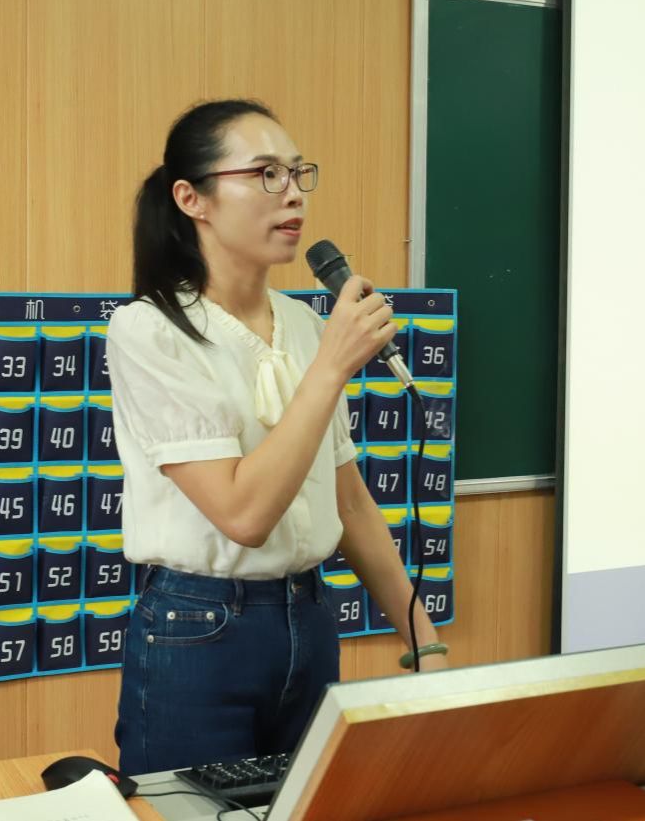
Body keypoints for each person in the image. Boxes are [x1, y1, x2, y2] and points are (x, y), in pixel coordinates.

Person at [107, 99, 446, 775]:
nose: (292, 194)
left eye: (297, 173)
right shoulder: (149, 329)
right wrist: (330, 368)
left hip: (310, 617)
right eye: (265, 174)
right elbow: (244, 514)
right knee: (192, 814)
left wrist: (425, 643)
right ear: (192, 198)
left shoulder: (306, 325)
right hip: (198, 631)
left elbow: (348, 503)